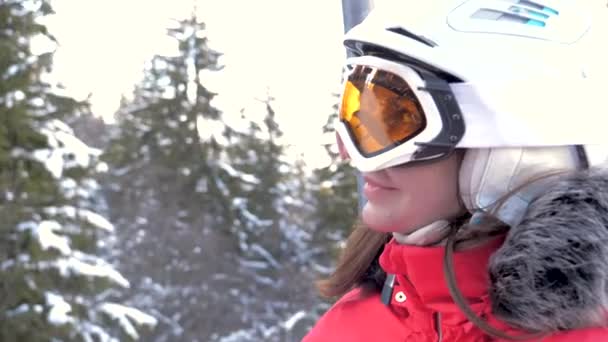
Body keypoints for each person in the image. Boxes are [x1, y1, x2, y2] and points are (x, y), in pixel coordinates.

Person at [304, 0, 608, 341]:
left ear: (518, 151)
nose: (351, 151)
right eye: (358, 110)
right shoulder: (349, 327)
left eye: (395, 117)